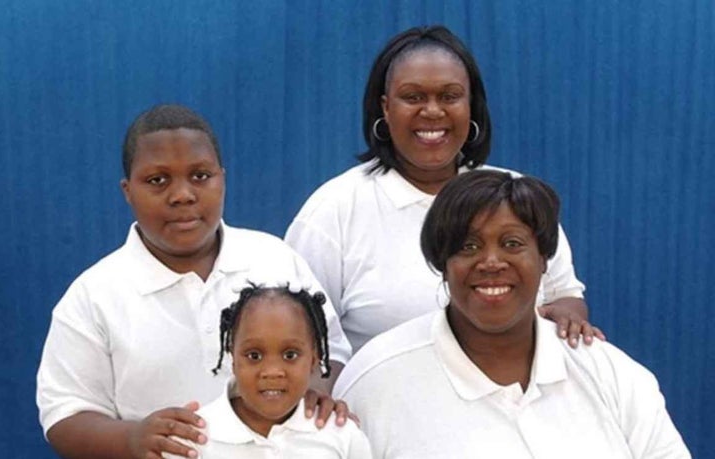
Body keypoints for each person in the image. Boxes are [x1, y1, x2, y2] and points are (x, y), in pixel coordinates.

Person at [36, 104, 352, 459]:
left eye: (200, 176)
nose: (183, 195)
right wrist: (132, 439)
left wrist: (315, 391)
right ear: (128, 190)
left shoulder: (274, 260)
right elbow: (64, 415)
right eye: (158, 180)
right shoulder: (95, 295)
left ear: (223, 178)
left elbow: (332, 352)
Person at [285, 25, 603, 354]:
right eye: (413, 97)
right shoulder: (334, 209)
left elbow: (564, 295)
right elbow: (302, 338)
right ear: (385, 107)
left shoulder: (513, 195)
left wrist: (569, 317)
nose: (433, 111)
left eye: (449, 96)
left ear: (471, 106)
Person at [333, 170, 690, 458]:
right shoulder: (377, 381)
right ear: (443, 263)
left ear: (545, 258)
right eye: (468, 246)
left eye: (512, 244)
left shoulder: (611, 374)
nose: (491, 262)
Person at [164, 283, 372, 458]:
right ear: (232, 358)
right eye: (254, 356)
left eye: (290, 355)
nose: (272, 371)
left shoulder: (341, 435)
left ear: (313, 359)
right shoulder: (193, 438)